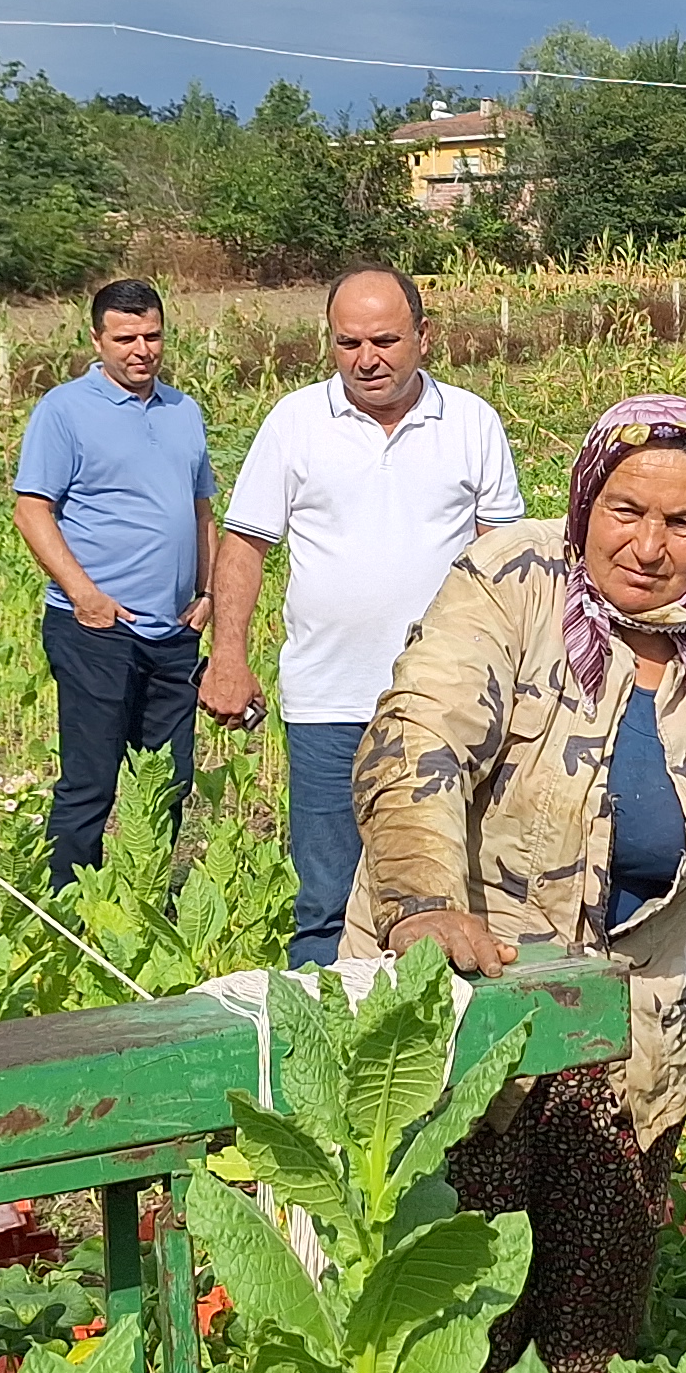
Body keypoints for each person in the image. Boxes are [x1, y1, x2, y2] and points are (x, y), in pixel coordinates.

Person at [351, 397, 686, 1373]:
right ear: (585, 502)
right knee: (460, 1282)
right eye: (625, 510)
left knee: (596, 1290)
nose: (650, 545)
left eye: (684, 522)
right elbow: (419, 733)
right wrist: (421, 900)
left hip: (638, 999)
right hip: (478, 985)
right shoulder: (509, 583)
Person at [200, 268, 523, 965]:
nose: (367, 359)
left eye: (385, 339)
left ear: (424, 337)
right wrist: (228, 658)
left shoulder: (471, 423)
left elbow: (504, 562)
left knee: (447, 891)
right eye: (348, 343)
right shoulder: (295, 422)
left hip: (442, 704)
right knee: (325, 898)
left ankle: (428, 1053)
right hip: (327, 702)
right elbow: (245, 545)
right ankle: (321, 1056)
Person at [12, 279, 218, 888]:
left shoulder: (184, 412)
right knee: (91, 783)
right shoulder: (64, 411)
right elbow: (32, 510)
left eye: (152, 336)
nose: (141, 349)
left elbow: (200, 508)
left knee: (169, 783)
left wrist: (206, 595)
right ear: (97, 340)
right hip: (95, 631)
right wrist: (86, 595)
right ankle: (65, 912)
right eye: (125, 338)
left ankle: (143, 900)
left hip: (174, 632)